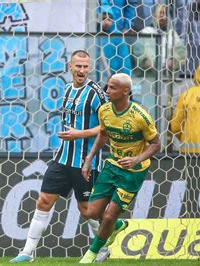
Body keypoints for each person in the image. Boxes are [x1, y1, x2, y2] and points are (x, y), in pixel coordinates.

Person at [10, 50, 106, 263]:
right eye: (78, 66)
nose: (82, 70)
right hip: (62, 158)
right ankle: (27, 252)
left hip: (85, 161)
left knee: (87, 211)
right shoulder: (66, 89)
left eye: (85, 67)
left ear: (89, 68)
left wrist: (79, 134)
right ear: (70, 67)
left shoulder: (96, 93)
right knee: (43, 201)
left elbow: (107, 126)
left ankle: (102, 248)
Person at [79, 73, 161, 263]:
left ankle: (92, 253)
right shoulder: (104, 111)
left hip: (133, 172)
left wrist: (136, 159)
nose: (107, 91)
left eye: (113, 88)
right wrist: (89, 158)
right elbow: (103, 134)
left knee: (108, 215)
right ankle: (117, 226)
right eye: (107, 87)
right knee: (91, 212)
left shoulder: (140, 116)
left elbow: (156, 144)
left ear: (126, 91)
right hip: (112, 165)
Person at [132, 3, 187, 78]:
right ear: (155, 15)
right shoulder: (146, 32)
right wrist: (145, 61)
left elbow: (181, 52)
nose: (163, 16)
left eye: (165, 13)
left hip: (168, 76)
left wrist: (174, 61)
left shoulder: (172, 34)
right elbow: (137, 51)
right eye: (160, 13)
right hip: (149, 77)